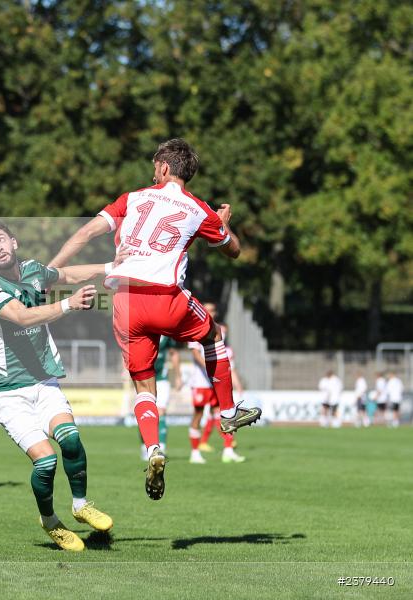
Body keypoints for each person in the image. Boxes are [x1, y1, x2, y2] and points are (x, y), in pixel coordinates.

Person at [49, 138, 261, 500]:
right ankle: (227, 412)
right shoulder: (199, 209)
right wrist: (223, 226)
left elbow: (85, 233)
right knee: (212, 337)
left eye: (154, 165)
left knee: (143, 386)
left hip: (126, 303)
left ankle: (152, 449)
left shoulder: (131, 199)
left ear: (164, 168)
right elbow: (234, 251)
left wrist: (51, 270)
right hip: (166, 297)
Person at [0, 222, 113, 552]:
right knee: (46, 462)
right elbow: (22, 317)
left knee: (72, 439)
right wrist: (69, 304)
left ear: (14, 241)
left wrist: (112, 267)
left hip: (43, 380)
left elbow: (69, 275)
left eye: (1, 240)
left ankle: (80, 506)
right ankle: (50, 520)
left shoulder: (34, 270)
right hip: (8, 392)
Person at [195, 305, 245, 463]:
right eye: (207, 309)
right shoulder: (195, 328)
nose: (211, 312)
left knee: (224, 412)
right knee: (199, 415)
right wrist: (210, 368)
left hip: (216, 382)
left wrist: (237, 385)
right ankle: (196, 450)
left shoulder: (222, 339)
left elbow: (230, 367)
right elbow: (195, 353)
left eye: (213, 310)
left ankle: (228, 448)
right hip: (202, 382)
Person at [139, 335, 180, 460]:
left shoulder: (166, 333)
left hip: (161, 379)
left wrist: (178, 376)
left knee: (161, 411)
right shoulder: (143, 330)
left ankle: (160, 448)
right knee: (146, 412)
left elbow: (174, 353)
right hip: (144, 377)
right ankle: (145, 447)